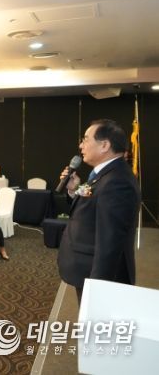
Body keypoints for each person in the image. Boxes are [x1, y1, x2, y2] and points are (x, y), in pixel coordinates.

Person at [58, 119, 140, 303]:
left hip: (96, 276)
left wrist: (97, 289)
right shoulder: (105, 174)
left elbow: (110, 243)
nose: (81, 145)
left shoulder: (117, 182)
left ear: (104, 145)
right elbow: (93, 203)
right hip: (86, 268)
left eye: (86, 139)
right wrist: (74, 189)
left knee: (95, 320)